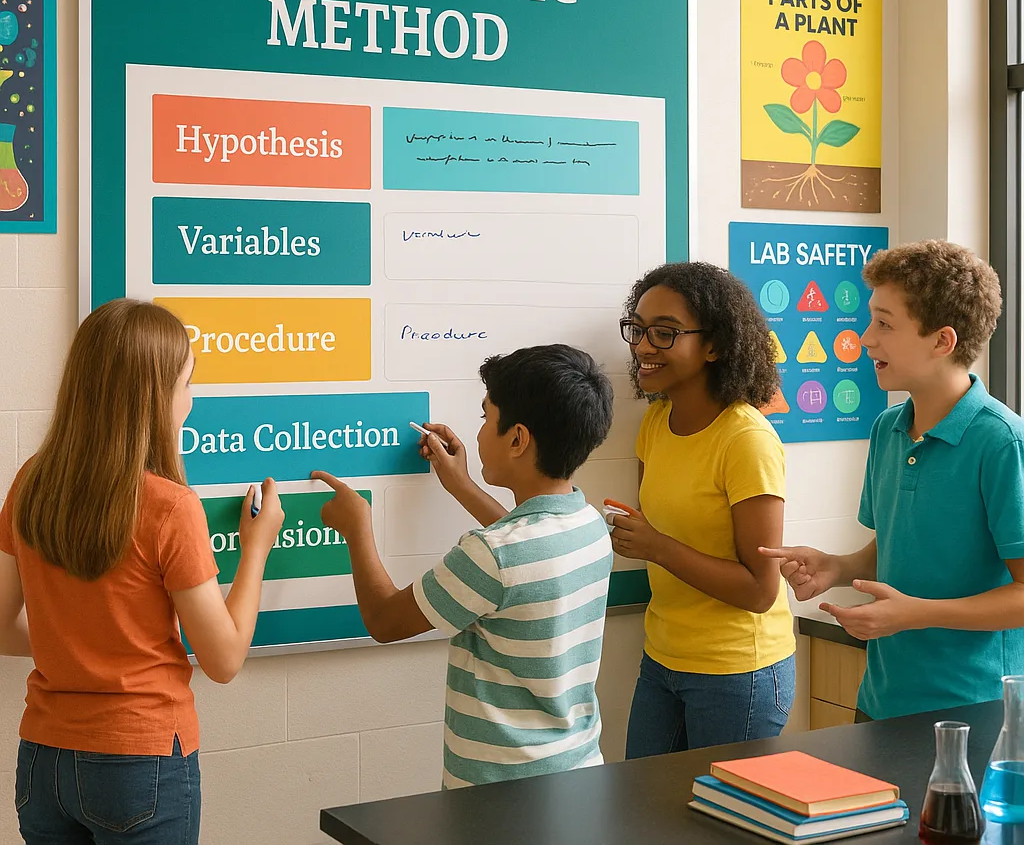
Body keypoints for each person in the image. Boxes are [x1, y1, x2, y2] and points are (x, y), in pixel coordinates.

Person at [0, 298, 284, 844]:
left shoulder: (30, 484)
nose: (191, 402)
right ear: (154, 399)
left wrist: (81, 648)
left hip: (42, 761)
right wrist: (256, 549)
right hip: (140, 761)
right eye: (185, 385)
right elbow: (223, 659)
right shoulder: (170, 507)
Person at [312, 344, 614, 788]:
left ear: (517, 439)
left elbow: (383, 620)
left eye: (485, 418)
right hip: (576, 772)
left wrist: (357, 526)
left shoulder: (491, 555)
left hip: (496, 797)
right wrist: (461, 484)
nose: (477, 435)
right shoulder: (586, 524)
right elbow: (523, 557)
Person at [763, 240, 1024, 721]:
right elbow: (892, 545)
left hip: (976, 711)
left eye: (884, 324)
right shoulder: (888, 429)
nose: (866, 338)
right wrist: (836, 568)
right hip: (880, 702)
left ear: (942, 341)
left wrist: (916, 613)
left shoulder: (1002, 442)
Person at [611, 261, 795, 757]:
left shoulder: (746, 439)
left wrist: (657, 547)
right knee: (644, 813)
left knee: (721, 830)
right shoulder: (655, 420)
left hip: (739, 672)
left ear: (714, 346)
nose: (644, 347)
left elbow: (760, 589)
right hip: (663, 657)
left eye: (666, 334)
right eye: (639, 329)